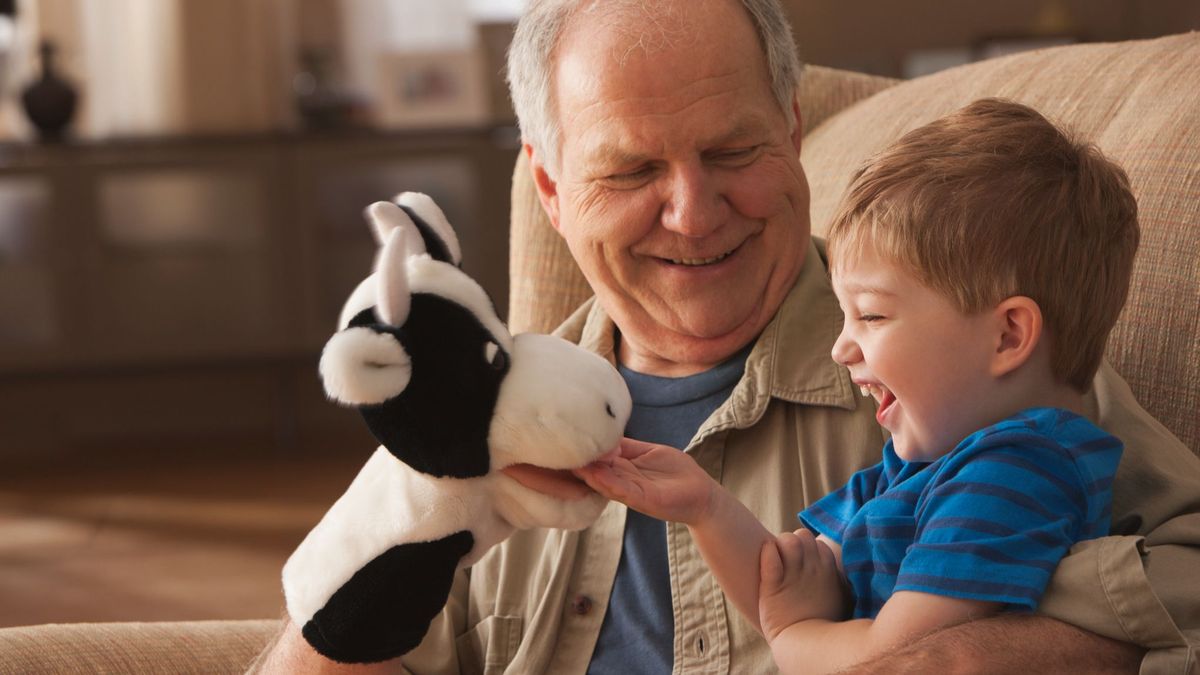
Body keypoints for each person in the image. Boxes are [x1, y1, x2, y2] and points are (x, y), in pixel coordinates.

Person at [254, 1, 1200, 672]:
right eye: (630, 170)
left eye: (733, 151)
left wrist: (956, 653)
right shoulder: (471, 413)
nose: (694, 213)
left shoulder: (955, 360)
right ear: (549, 189)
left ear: (791, 128)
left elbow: (1183, 573)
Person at [574, 98, 1135, 674]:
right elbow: (790, 583)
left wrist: (795, 634)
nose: (842, 349)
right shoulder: (918, 466)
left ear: (1007, 336)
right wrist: (706, 508)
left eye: (871, 316)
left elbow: (887, 661)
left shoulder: (1017, 472)